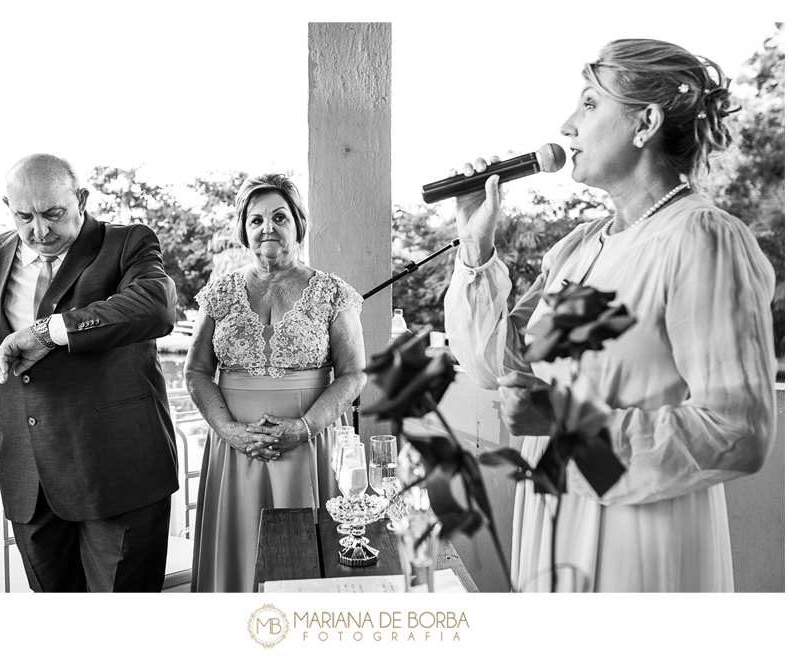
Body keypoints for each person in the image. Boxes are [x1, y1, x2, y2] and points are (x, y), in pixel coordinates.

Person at [444, 39, 777, 592]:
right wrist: (475, 246)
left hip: (641, 544)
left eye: (590, 104)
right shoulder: (581, 246)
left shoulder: (702, 238)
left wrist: (567, 425)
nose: (566, 125)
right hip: (553, 521)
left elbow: (738, 432)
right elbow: (498, 369)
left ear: (645, 122)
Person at [0, 154, 179, 592]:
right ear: (7, 206)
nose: (40, 231)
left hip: (118, 471)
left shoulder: (127, 243)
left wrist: (47, 332)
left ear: (81, 199)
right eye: (24, 217)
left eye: (53, 214)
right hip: (28, 475)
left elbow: (156, 306)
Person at [185, 173, 366, 592]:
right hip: (235, 448)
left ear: (298, 225)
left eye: (279, 217)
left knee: (307, 562)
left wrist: (305, 428)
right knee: (240, 555)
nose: (267, 227)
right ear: (244, 229)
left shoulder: (333, 293)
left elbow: (354, 374)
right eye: (256, 219)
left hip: (311, 446)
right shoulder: (219, 295)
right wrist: (227, 430)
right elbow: (195, 371)